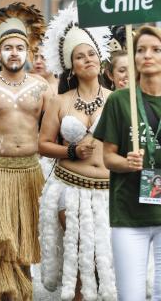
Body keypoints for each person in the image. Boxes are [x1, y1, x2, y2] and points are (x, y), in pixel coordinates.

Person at [0, 2, 50, 300]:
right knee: (2, 241)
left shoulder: (42, 87)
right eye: (8, 47)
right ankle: (6, 294)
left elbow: (52, 126)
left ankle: (23, 293)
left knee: (25, 238)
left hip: (31, 170)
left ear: (28, 53)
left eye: (20, 47)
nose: (14, 52)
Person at [38, 4, 116, 301]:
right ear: (71, 65)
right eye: (80, 56)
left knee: (102, 263)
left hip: (108, 191)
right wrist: (70, 150)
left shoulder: (116, 100)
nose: (88, 60)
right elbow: (42, 144)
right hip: (69, 188)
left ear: (100, 58)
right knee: (81, 256)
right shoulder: (59, 101)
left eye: (92, 54)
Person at [94, 25, 161, 301]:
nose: (148, 55)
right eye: (140, 50)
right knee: (130, 296)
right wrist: (126, 162)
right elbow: (107, 157)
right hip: (128, 213)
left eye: (156, 50)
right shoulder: (120, 101)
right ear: (132, 58)